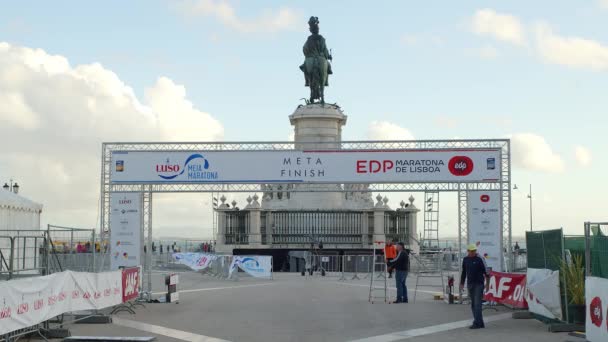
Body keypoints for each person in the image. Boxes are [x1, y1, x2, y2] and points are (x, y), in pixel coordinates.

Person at [460, 244, 490, 329]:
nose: (473, 252)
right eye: (471, 251)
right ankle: (480, 323)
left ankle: (476, 323)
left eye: (474, 251)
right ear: (468, 251)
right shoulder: (465, 260)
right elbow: (463, 272)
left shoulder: (480, 259)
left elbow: (487, 273)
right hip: (470, 284)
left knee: (477, 304)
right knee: (473, 304)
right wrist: (462, 283)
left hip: (479, 284)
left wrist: (487, 285)